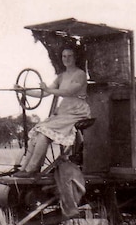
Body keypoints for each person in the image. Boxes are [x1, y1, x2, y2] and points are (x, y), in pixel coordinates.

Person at [16, 46, 91, 174]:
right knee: (38, 133)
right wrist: (24, 91)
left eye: (69, 56)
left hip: (77, 112)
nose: (66, 59)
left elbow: (68, 92)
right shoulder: (61, 77)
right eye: (64, 56)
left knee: (44, 132)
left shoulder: (80, 74)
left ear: (75, 58)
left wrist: (47, 89)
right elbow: (44, 93)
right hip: (64, 111)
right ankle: (24, 169)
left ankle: (31, 169)